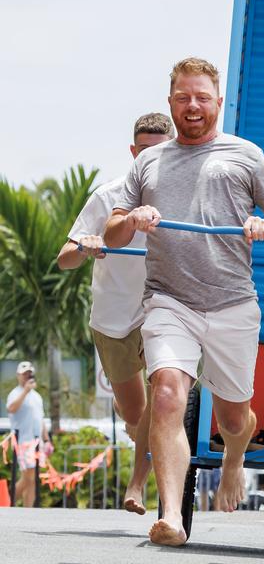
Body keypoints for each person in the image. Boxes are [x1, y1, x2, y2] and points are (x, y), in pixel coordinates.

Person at [105, 56, 264, 547]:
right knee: (168, 392)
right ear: (171, 103)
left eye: (202, 97)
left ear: (218, 102)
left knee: (235, 419)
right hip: (169, 301)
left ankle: (234, 458)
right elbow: (112, 228)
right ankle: (172, 514)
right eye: (183, 97)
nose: (193, 106)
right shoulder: (149, 161)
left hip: (233, 303)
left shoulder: (245, 154)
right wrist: (133, 219)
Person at [56, 112, 174, 515]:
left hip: (160, 310)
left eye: (160, 153)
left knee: (162, 400)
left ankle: (137, 488)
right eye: (144, 152)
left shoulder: (183, 195)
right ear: (132, 152)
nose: (151, 161)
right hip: (113, 319)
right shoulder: (108, 196)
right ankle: (131, 426)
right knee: (135, 413)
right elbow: (64, 260)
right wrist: (86, 247)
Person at [6, 362, 49, 507]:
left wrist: (47, 440)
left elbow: (40, 419)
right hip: (23, 441)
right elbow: (11, 409)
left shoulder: (37, 396)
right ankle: (5, 502)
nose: (27, 376)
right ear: (18, 376)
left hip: (37, 442)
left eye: (29, 373)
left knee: (33, 478)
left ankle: (28, 510)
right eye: (24, 374)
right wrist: (25, 391)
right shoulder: (16, 393)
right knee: (28, 477)